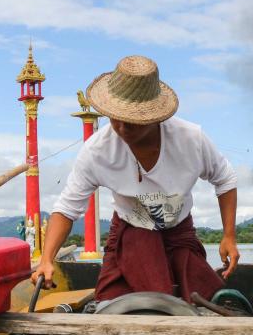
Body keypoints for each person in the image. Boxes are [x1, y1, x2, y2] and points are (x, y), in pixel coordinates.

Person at [32, 55, 239, 302]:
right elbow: (67, 209)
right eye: (115, 117)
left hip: (179, 232)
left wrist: (229, 235)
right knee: (113, 303)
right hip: (130, 233)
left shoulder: (191, 139)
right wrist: (46, 259)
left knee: (208, 298)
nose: (121, 128)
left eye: (132, 122)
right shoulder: (97, 150)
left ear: (156, 117)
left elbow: (224, 180)